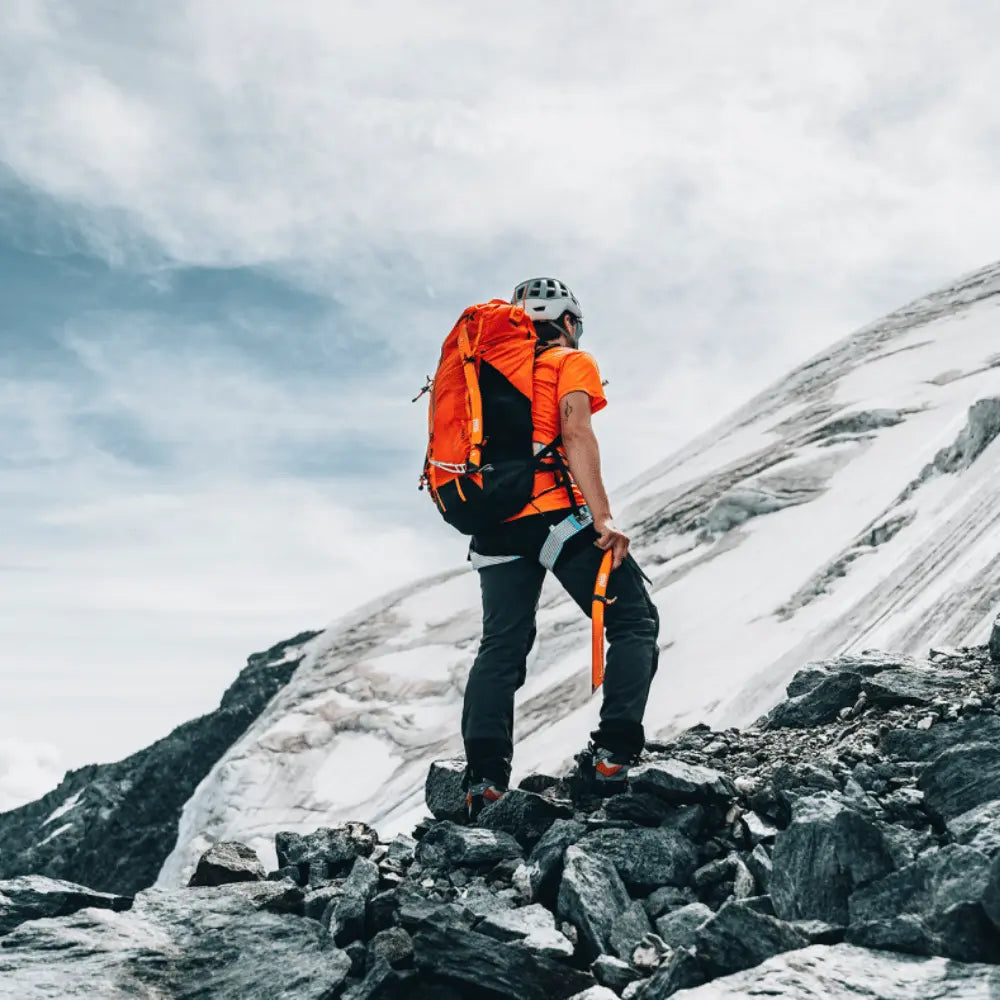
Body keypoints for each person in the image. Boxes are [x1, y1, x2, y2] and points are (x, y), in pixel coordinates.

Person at [462, 277, 660, 819]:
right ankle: (611, 758)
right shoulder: (569, 361)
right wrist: (603, 518)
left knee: (500, 649)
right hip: (554, 513)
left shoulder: (481, 369)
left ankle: (484, 783)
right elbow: (575, 431)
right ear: (569, 322)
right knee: (634, 624)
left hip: (493, 523)